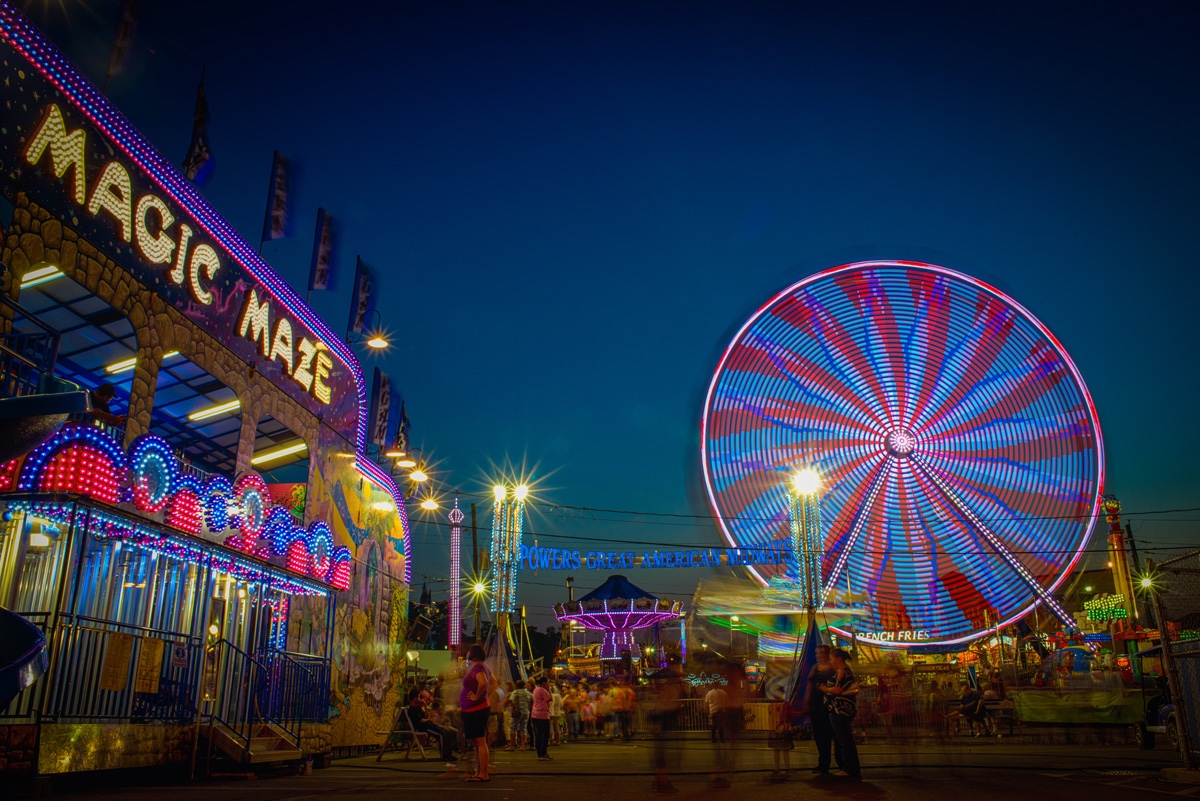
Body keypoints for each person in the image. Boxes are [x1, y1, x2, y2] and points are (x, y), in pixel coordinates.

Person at [821, 648, 861, 781]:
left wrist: (825, 689)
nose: (831, 661)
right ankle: (850, 767)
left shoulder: (843, 672)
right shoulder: (842, 671)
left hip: (840, 710)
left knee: (845, 740)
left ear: (838, 658)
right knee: (845, 740)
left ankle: (849, 768)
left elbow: (837, 689)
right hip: (839, 710)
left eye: (832, 658)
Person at [459, 644, 496, 782]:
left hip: (475, 709)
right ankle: (479, 772)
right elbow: (494, 683)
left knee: (479, 741)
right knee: (477, 741)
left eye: (468, 651)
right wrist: (484, 695)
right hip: (475, 708)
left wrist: (477, 697)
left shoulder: (478, 667)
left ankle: (483, 773)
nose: (467, 652)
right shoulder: (483, 667)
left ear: (473, 654)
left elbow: (483, 683)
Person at [805, 644, 839, 774]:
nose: (819, 655)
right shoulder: (815, 668)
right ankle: (824, 763)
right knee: (820, 736)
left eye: (821, 653)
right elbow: (809, 685)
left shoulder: (834, 668)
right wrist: (806, 701)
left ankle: (841, 762)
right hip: (816, 705)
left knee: (835, 735)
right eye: (817, 653)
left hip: (830, 704)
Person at [407, 688, 457, 768]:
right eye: (419, 697)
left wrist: (425, 706)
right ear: (415, 698)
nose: (420, 699)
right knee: (442, 734)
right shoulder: (412, 710)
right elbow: (421, 721)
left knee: (448, 732)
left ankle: (449, 754)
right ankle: (444, 756)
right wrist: (429, 720)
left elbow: (426, 716)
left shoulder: (418, 707)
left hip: (428, 724)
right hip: (423, 727)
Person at [531, 675, 553, 760]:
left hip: (535, 714)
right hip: (542, 714)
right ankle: (543, 753)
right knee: (545, 734)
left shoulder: (535, 689)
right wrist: (548, 689)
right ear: (544, 683)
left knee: (538, 734)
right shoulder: (543, 690)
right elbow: (550, 698)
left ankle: (539, 753)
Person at [508, 680, 532, 750]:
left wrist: (514, 706)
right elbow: (532, 700)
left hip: (518, 712)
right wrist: (529, 706)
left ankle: (512, 746)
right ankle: (522, 746)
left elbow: (511, 700)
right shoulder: (528, 693)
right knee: (523, 728)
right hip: (526, 712)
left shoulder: (515, 692)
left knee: (513, 728)